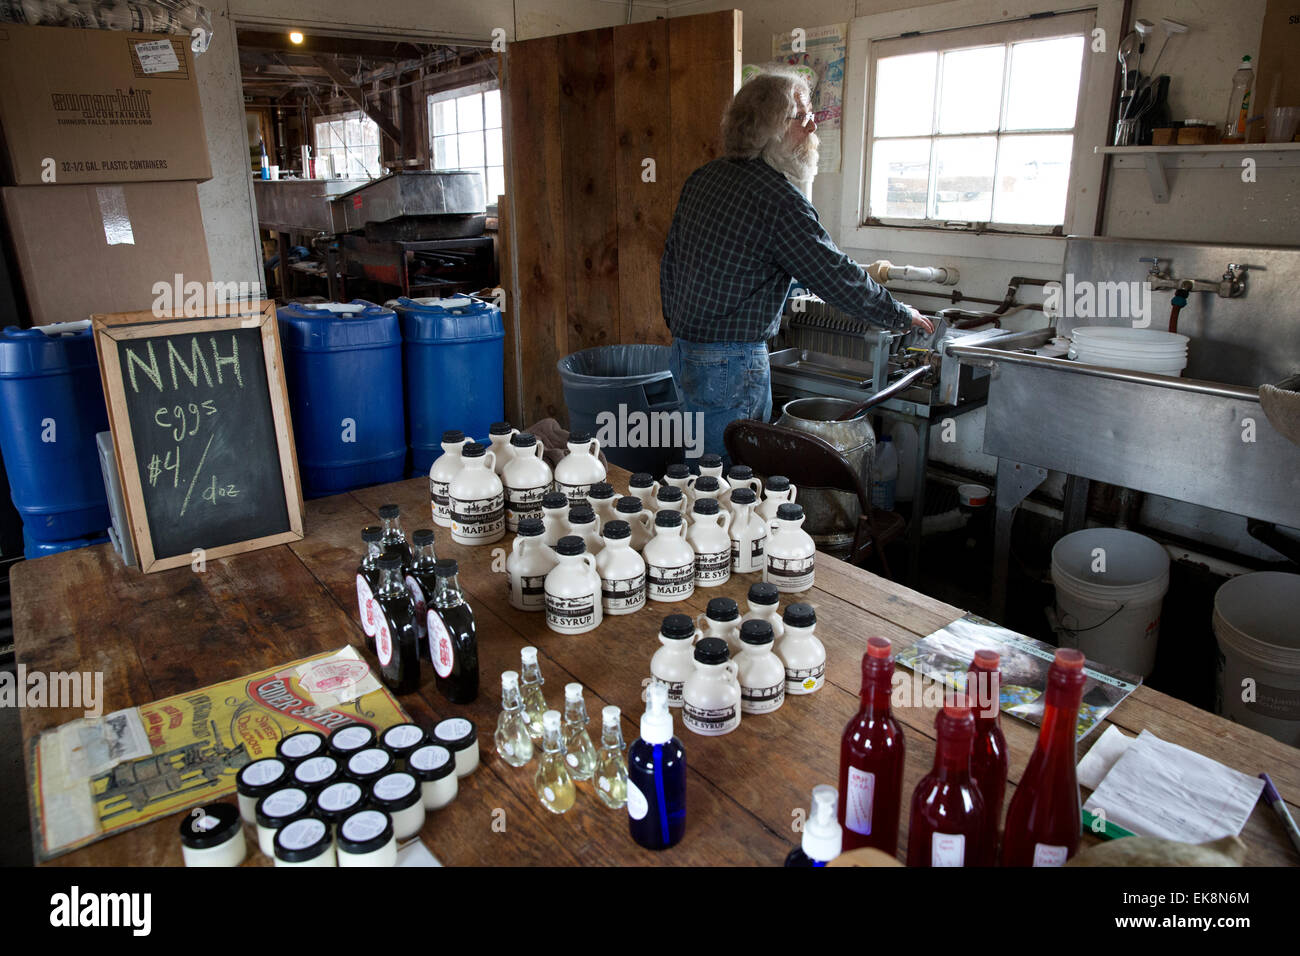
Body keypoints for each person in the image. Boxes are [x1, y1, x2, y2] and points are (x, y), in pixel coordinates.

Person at [660, 70, 933, 463]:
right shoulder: (778, 199)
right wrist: (897, 313)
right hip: (730, 365)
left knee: (700, 474)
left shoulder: (704, 179)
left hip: (685, 352)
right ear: (768, 128)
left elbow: (674, 264)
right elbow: (836, 276)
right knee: (730, 482)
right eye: (802, 117)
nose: (812, 127)